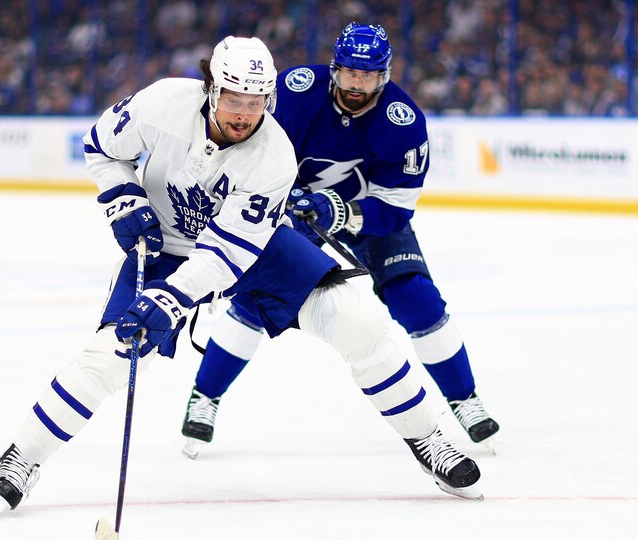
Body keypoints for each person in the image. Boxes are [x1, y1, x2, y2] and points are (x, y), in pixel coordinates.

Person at [0, 35, 483, 519]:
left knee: (358, 319)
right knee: (112, 354)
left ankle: (426, 437)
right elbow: (101, 148)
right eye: (233, 97)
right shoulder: (161, 104)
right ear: (210, 87)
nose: (243, 113)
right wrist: (120, 196)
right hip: (166, 247)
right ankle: (22, 458)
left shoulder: (274, 157)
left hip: (251, 247)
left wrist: (171, 301)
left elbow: (224, 257)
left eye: (257, 100)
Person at [181, 23, 500, 460]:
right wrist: (285, 201)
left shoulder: (402, 120)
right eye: (350, 73)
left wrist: (344, 211)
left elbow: (395, 207)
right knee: (254, 302)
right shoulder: (296, 92)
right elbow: (253, 154)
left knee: (417, 300)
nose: (357, 84)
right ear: (336, 69)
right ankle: (206, 395)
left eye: (367, 76)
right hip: (288, 214)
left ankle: (464, 399)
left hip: (367, 219)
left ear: (383, 75)